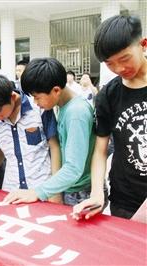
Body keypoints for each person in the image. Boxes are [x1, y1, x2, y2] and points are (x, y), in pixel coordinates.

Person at [73, 15, 147, 220]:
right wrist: (97, 193)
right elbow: (100, 151)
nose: (119, 69)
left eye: (124, 59)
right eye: (109, 64)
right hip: (125, 202)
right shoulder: (108, 95)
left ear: (143, 45)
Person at [3, 58, 97, 206]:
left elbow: (73, 169)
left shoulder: (76, 113)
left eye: (37, 97)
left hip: (79, 193)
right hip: (71, 188)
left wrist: (37, 192)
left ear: (56, 90)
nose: (35, 103)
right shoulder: (64, 106)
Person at [0, 75, 62, 202]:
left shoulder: (39, 107)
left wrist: (55, 190)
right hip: (10, 191)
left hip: (41, 189)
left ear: (13, 97)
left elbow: (55, 147)